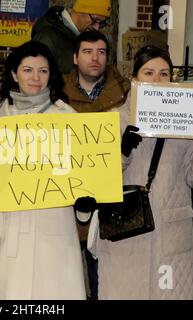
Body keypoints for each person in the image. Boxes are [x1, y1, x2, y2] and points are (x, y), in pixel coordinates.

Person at [76, 45, 193, 299]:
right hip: (125, 231)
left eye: (164, 74)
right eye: (148, 72)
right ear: (135, 78)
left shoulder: (187, 121)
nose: (157, 79)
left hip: (170, 234)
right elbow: (97, 182)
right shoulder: (114, 121)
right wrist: (123, 154)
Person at [0, 41, 86, 300]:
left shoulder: (68, 118)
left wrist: (84, 198)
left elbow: (82, 172)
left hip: (52, 225)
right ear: (14, 74)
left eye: (43, 71)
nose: (35, 78)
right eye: (28, 70)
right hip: (8, 227)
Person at [63, 29, 130, 300]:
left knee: (104, 262)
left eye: (101, 52)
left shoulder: (127, 92)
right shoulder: (56, 92)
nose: (95, 58)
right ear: (75, 57)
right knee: (65, 263)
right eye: (88, 52)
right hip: (66, 187)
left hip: (112, 185)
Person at [32, 0, 111, 74]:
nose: (96, 28)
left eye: (101, 23)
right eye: (95, 20)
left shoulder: (79, 37)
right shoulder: (47, 38)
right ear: (81, 11)